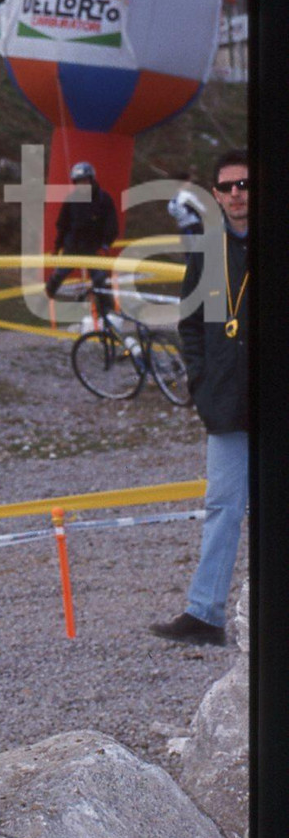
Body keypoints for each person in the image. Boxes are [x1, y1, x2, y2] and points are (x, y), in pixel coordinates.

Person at [150, 148, 249, 646]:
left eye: (245, 184)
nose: (237, 195)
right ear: (215, 195)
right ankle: (205, 614)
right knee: (222, 508)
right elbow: (190, 323)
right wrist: (200, 384)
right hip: (226, 404)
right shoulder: (207, 250)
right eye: (228, 187)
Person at [44, 160, 119, 320]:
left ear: (92, 180)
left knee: (101, 280)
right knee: (58, 276)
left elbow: (111, 225)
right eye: (78, 182)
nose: (82, 185)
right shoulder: (71, 200)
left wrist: (105, 244)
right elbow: (62, 225)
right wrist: (57, 248)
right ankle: (47, 298)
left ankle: (108, 313)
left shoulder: (103, 199)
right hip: (72, 247)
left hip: (94, 248)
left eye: (85, 181)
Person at [167, 170, 206, 255]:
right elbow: (202, 210)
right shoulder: (187, 196)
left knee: (189, 255)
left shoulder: (173, 199)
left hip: (183, 229)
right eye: (189, 181)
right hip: (194, 228)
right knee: (199, 254)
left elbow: (171, 211)